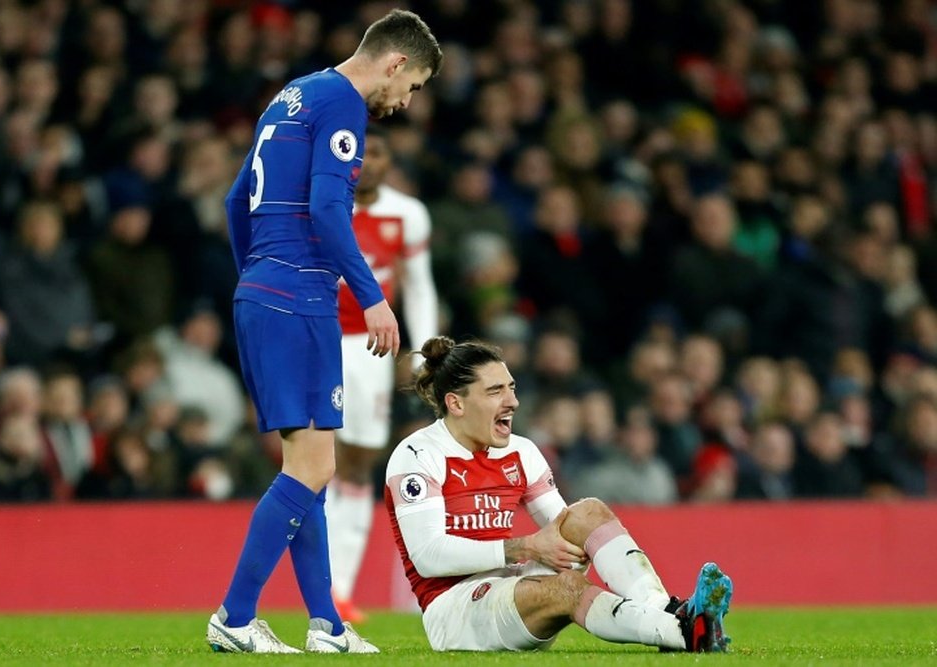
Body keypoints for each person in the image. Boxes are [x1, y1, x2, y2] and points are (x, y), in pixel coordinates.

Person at [206, 9, 442, 655]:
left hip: (265, 289)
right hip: (300, 298)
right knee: (313, 467)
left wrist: (255, 274)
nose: (407, 99)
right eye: (414, 84)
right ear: (395, 63)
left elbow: (235, 200)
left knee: (311, 466)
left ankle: (326, 623)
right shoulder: (344, 104)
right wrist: (373, 298)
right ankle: (235, 613)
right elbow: (328, 206)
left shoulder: (295, 93)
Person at [385, 336, 733, 653]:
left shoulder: (520, 452)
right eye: (495, 392)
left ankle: (666, 611)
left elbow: (562, 529)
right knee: (567, 589)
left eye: (512, 388)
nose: (513, 402)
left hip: (512, 587)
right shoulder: (418, 455)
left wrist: (561, 547)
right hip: (455, 610)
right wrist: (523, 548)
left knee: (588, 512)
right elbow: (428, 557)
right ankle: (683, 633)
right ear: (456, 404)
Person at [325, 123, 438, 623]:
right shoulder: (324, 207)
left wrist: (425, 350)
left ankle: (338, 590)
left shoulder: (407, 214)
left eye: (380, 154)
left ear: (391, 161)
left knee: (356, 462)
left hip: (372, 350)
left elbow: (418, 287)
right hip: (320, 340)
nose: (369, 163)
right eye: (362, 154)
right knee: (316, 455)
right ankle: (324, 584)